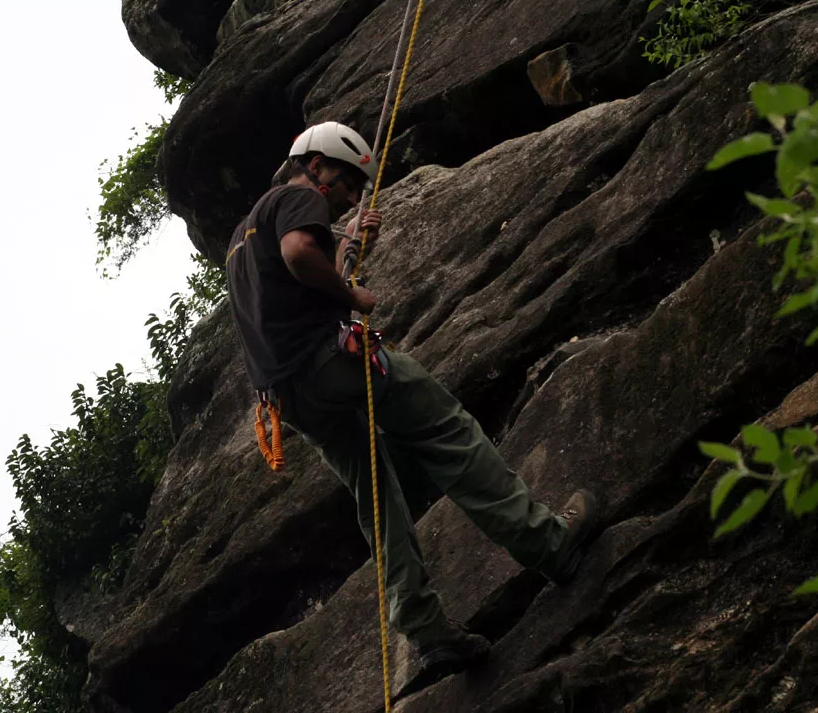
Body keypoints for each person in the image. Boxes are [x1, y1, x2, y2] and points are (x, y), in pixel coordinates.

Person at [224, 121, 600, 682]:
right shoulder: (298, 196)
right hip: (333, 362)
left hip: (291, 399)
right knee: (447, 431)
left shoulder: (239, 240)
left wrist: (347, 243)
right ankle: (549, 544)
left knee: (376, 497)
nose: (353, 194)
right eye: (348, 182)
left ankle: (428, 632)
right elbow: (301, 252)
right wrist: (351, 291)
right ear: (318, 165)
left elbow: (290, 282)